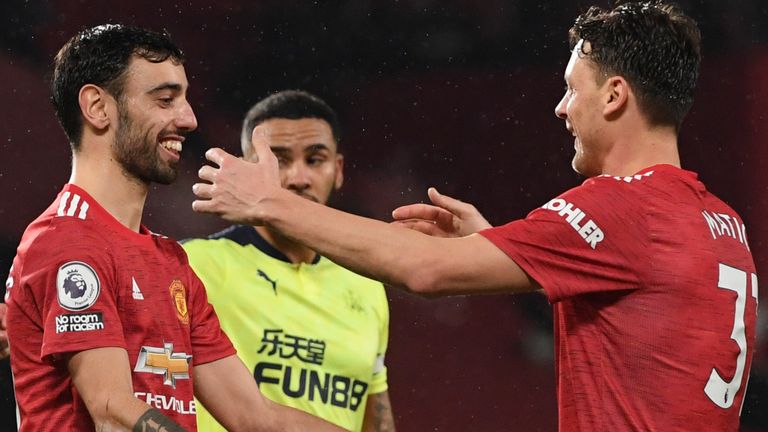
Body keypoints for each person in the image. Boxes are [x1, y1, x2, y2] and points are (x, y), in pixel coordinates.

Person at [191, 2, 758, 431]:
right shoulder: (722, 223)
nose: (562, 107)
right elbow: (640, 318)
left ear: (613, 96)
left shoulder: (621, 206)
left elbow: (427, 271)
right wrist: (499, 245)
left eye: (570, 89)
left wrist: (268, 201)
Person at [3, 24, 343, 432]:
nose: (189, 119)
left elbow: (257, 417)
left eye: (185, 99)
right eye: (165, 100)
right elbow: (112, 412)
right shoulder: (67, 241)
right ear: (97, 107)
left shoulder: (169, 261)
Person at [182, 90, 396, 432]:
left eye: (315, 159)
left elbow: (376, 415)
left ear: (337, 170)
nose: (298, 178)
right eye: (278, 160)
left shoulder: (366, 282)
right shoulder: (193, 266)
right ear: (246, 170)